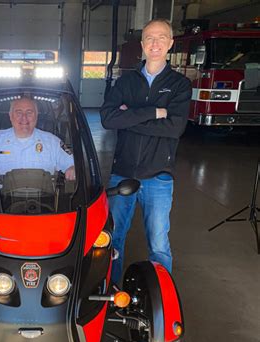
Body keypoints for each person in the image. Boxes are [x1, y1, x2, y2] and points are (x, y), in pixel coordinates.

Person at [100, 19, 192, 286]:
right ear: (142, 45)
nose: (155, 43)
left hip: (159, 176)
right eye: (150, 38)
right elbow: (108, 119)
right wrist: (154, 113)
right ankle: (110, 293)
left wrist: (130, 117)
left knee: (159, 243)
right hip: (123, 173)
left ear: (170, 43)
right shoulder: (126, 81)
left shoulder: (179, 85)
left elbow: (175, 128)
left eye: (161, 37)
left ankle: (161, 297)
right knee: (113, 239)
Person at [0, 97, 75, 182]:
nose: (24, 118)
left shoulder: (53, 142)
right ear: (10, 116)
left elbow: (74, 166)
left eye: (29, 112)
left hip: (45, 205)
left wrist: (72, 170)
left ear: (36, 116)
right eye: (19, 112)